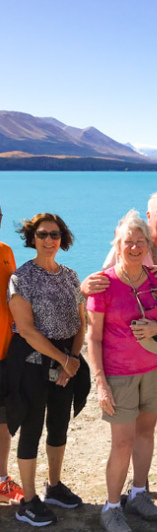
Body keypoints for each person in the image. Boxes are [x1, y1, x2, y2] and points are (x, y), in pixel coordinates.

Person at [82, 191, 157, 500]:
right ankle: (134, 489)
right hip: (126, 360)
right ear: (149, 217)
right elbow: (102, 283)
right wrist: (83, 287)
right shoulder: (129, 242)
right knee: (129, 429)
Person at [86, 210, 157, 532]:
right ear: (118, 244)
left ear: (148, 245)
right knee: (122, 442)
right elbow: (93, 338)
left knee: (145, 433)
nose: (135, 247)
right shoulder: (103, 284)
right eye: (129, 242)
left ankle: (139, 494)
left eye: (141, 242)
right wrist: (100, 383)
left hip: (156, 369)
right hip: (119, 375)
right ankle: (111, 508)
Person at [6, 213, 86, 526]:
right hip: (31, 363)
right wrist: (64, 360)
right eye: (43, 234)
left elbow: (80, 321)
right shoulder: (21, 278)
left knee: (59, 425)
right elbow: (26, 330)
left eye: (55, 234)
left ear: (62, 239)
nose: (49, 240)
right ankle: (27, 502)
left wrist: (73, 359)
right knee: (32, 429)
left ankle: (53, 487)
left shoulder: (70, 275)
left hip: (66, 359)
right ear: (32, 238)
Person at [0, 202, 24, 504]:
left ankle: (2, 480)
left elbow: (15, 299)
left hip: (5, 354)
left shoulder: (6, 252)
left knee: (2, 420)